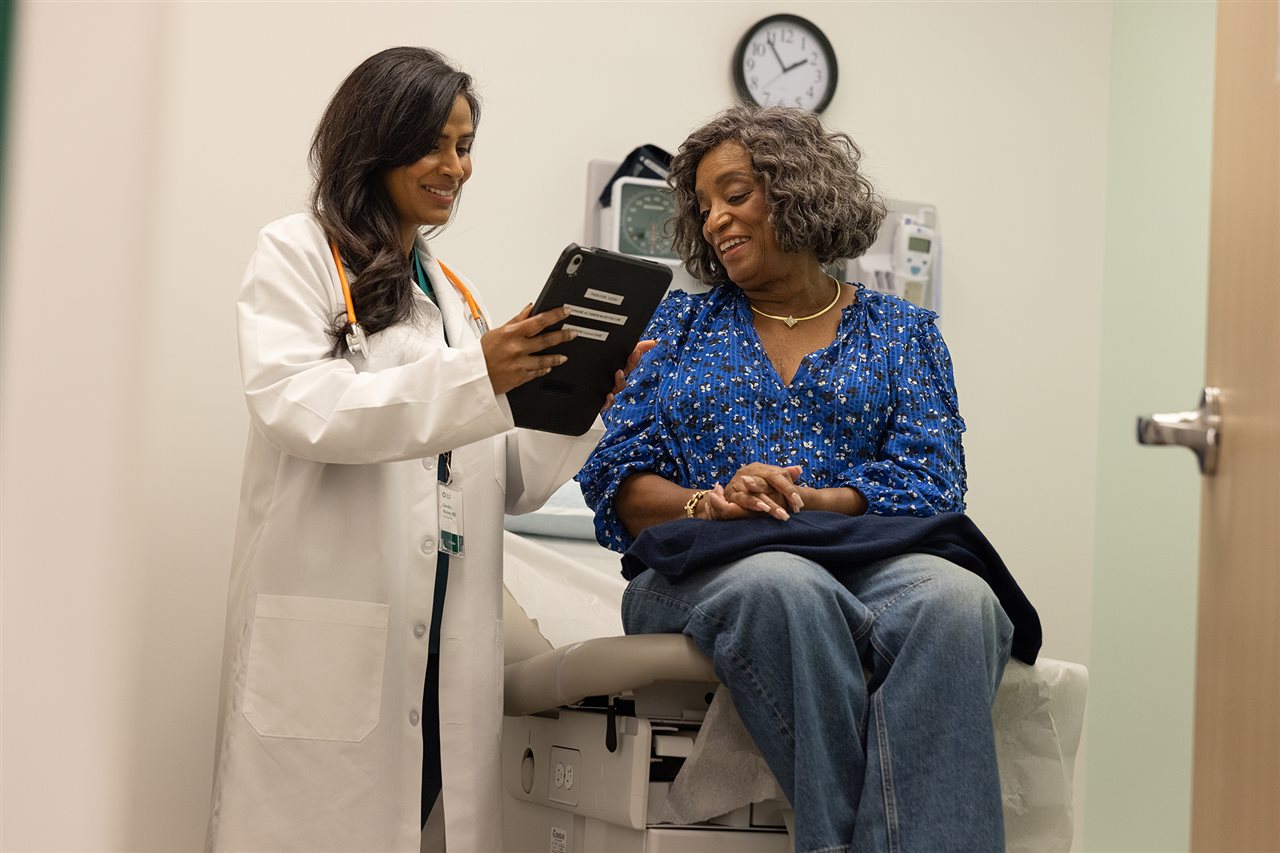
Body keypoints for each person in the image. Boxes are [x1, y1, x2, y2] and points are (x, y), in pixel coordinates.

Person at [206, 47, 646, 852]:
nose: (456, 167)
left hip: (443, 653)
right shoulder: (296, 255)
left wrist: (585, 402)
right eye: (436, 143)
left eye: (467, 145)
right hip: (335, 647)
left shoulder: (454, 300)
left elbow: (509, 481)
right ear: (377, 140)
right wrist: (477, 373)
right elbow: (297, 407)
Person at [577, 105, 1035, 853]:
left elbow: (933, 479)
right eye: (704, 206)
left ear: (795, 190)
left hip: (868, 560)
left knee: (960, 599)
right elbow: (620, 481)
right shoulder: (677, 328)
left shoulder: (901, 332)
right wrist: (715, 502)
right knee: (787, 583)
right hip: (704, 566)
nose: (716, 219)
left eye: (736, 194)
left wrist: (814, 499)